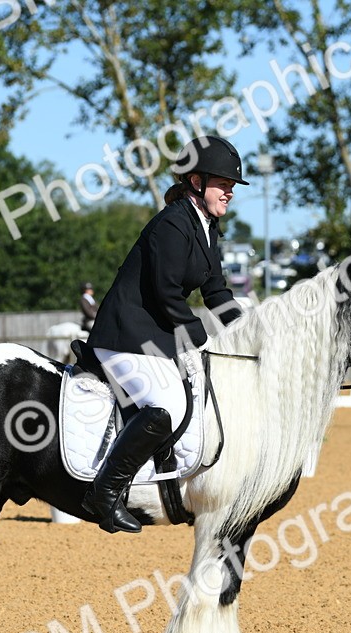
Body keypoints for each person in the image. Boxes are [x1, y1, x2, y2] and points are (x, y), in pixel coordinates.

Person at [82, 135, 246, 533]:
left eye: (231, 186)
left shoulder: (208, 227)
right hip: (125, 335)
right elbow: (166, 291)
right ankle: (103, 495)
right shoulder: (172, 223)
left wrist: (248, 334)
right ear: (195, 181)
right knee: (169, 406)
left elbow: (216, 291)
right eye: (222, 184)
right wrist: (200, 338)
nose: (229, 192)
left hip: (153, 339)